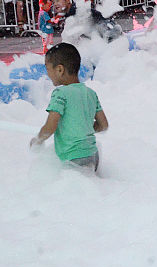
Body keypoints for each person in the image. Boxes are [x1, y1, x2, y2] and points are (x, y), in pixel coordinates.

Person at [30, 43, 108, 173]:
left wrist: (38, 140)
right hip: (93, 155)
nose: (47, 74)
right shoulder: (90, 93)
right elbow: (103, 125)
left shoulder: (60, 94)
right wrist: (83, 128)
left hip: (73, 158)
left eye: (47, 69)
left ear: (60, 70)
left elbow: (50, 127)